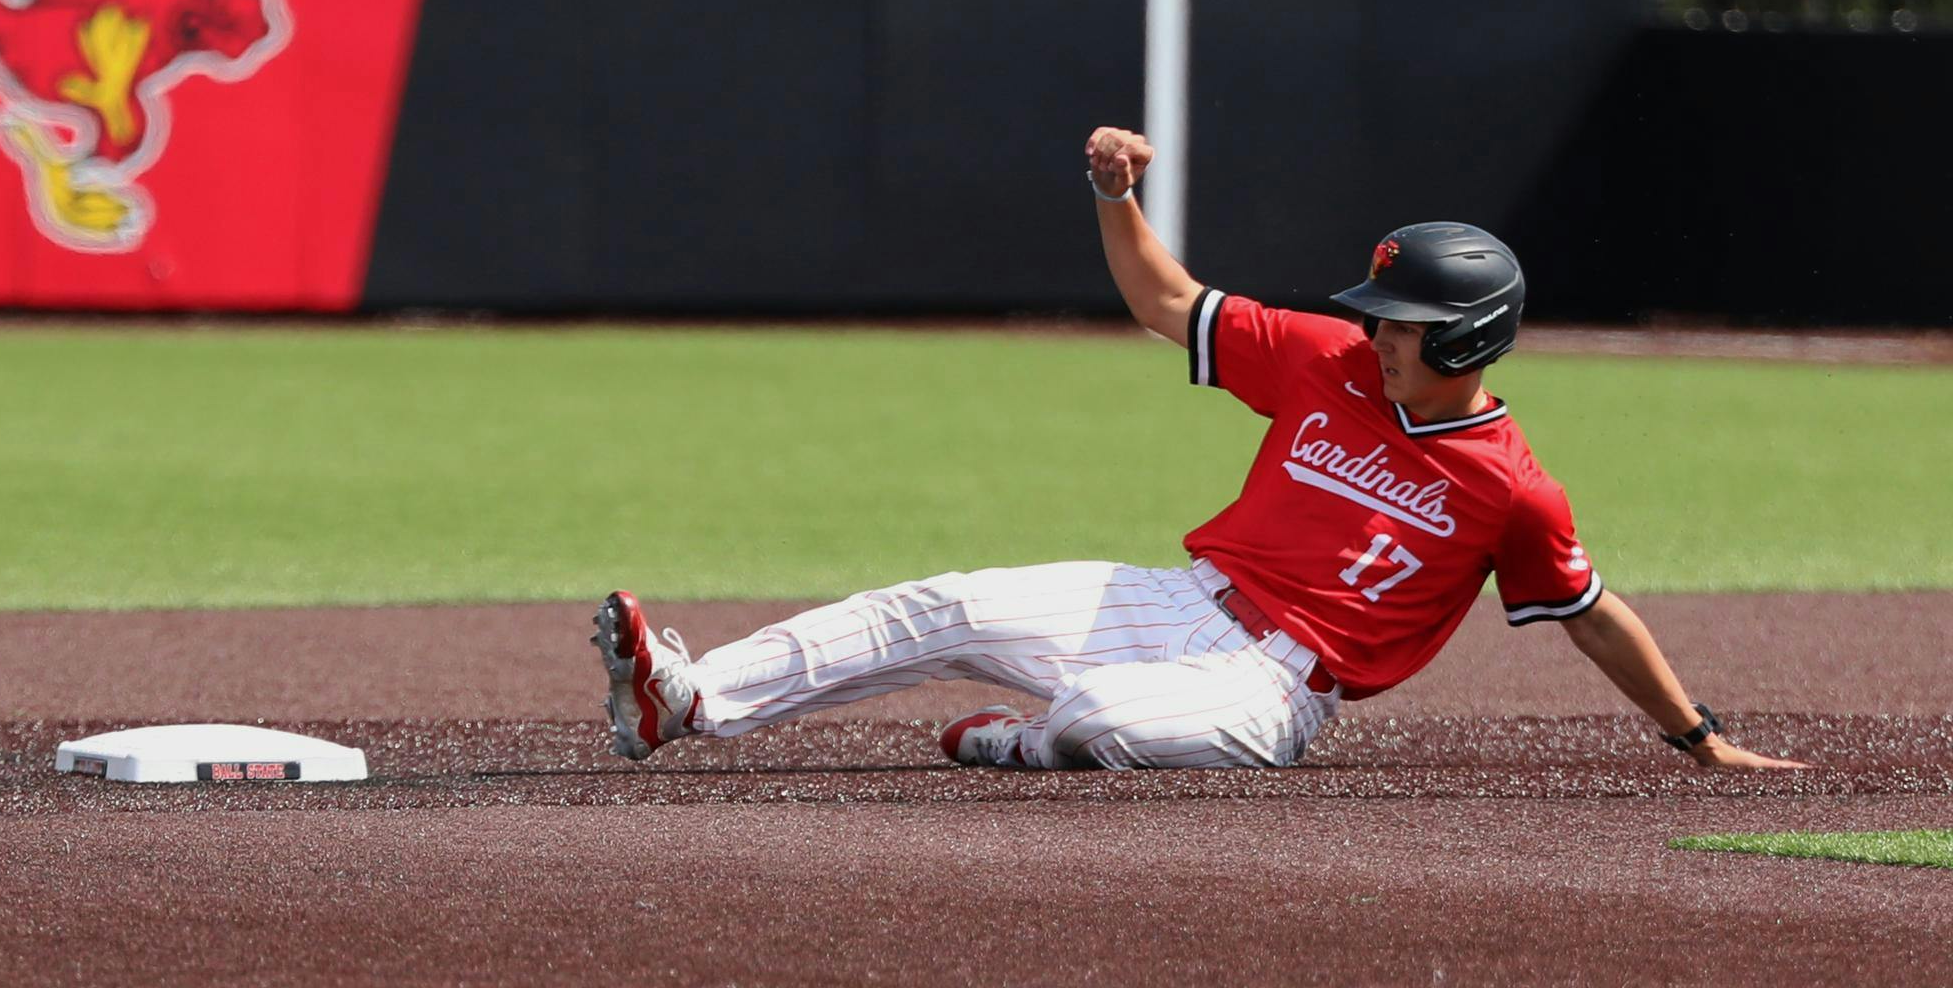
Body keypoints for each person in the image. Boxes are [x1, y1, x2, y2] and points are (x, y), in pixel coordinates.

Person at [590, 126, 1806, 772]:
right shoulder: (1324, 356)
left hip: (1273, 686)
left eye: (1404, 325)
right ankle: (689, 699)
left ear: (1471, 337)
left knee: (1091, 718)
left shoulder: (1512, 491)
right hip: (1176, 598)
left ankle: (1024, 743)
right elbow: (1167, 300)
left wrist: (1696, 734)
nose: (1376, 334)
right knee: (936, 605)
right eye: (1377, 315)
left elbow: (1590, 612)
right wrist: (1113, 193)